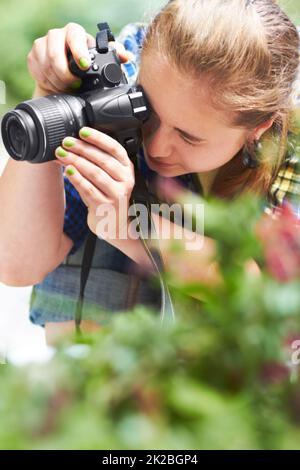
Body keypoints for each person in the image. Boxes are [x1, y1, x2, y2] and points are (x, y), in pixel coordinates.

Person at [0, 0, 299, 345]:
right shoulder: (126, 69)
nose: (156, 147)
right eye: (148, 112)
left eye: (188, 136)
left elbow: (273, 295)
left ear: (259, 129)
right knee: (99, 194)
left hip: (256, 357)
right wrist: (50, 96)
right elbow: (15, 264)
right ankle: (93, 381)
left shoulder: (293, 134)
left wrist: (132, 225)